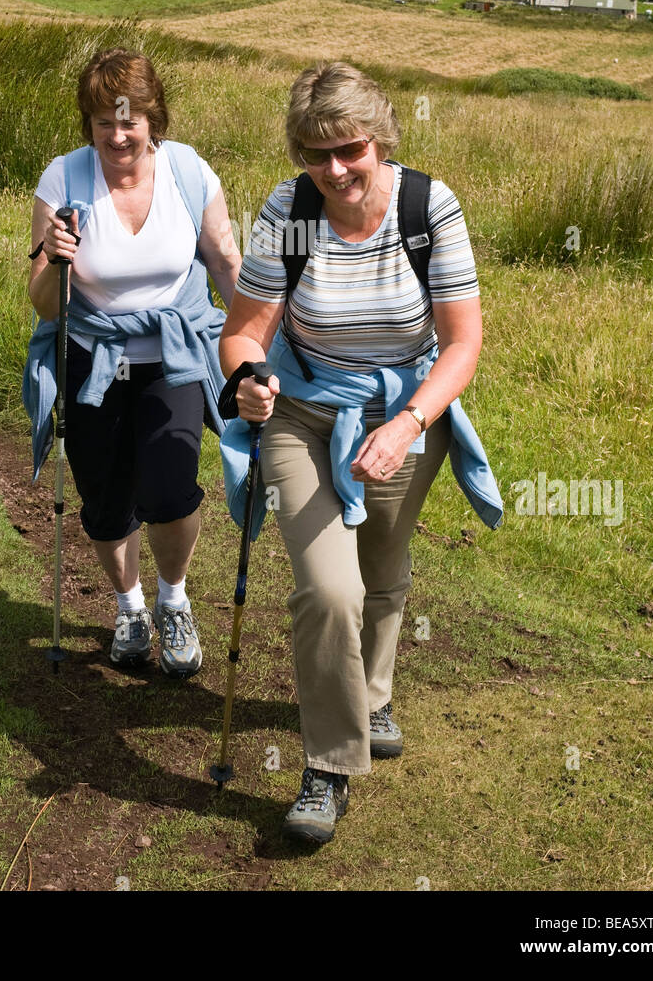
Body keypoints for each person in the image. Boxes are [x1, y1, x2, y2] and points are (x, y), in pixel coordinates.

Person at [219, 62, 501, 844]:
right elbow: (243, 331)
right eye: (315, 154)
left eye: (349, 149)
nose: (334, 170)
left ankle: (372, 692)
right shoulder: (287, 210)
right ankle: (327, 767)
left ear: (379, 139)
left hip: (406, 413)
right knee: (328, 589)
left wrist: (408, 423)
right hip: (303, 417)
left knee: (381, 566)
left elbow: (461, 341)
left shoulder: (425, 206)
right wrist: (247, 377)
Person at [24, 46, 241, 677]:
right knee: (105, 497)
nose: (117, 135)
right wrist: (58, 260)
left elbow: (226, 266)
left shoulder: (189, 173)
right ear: (87, 124)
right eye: (102, 122)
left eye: (130, 120)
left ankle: (173, 599)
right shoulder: (62, 180)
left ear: (154, 118)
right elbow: (44, 306)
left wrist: (258, 347)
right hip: (92, 356)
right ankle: (129, 607)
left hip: (172, 356)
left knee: (169, 488)